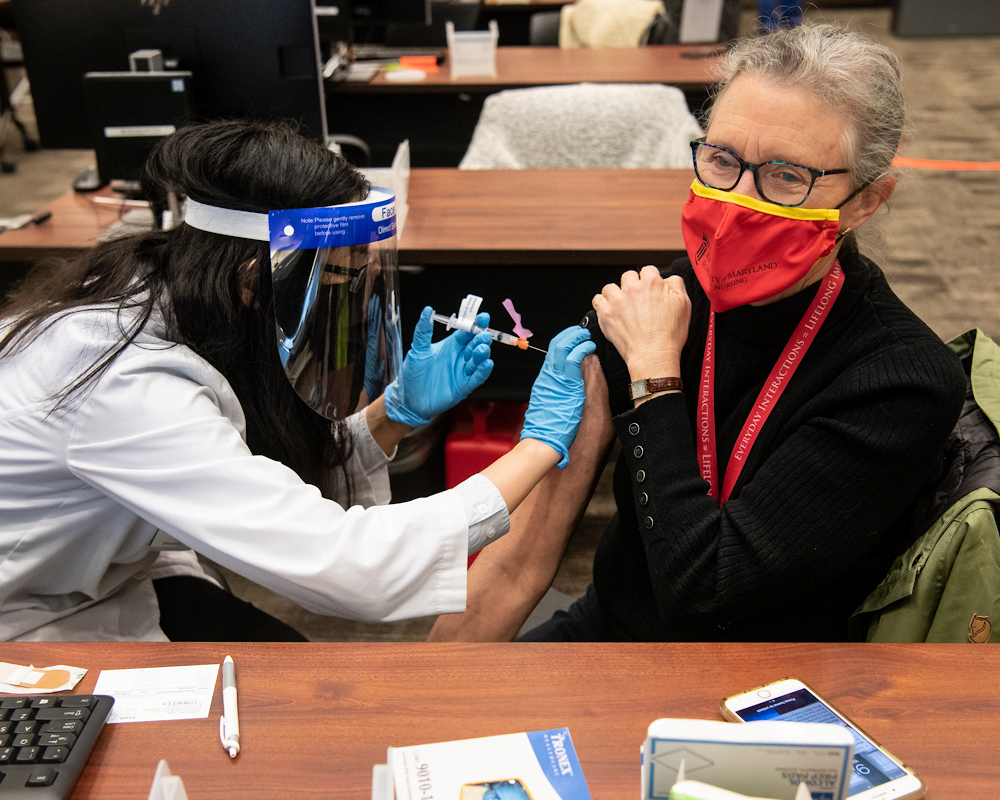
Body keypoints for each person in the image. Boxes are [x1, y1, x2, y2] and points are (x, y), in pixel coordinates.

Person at [429, 23, 968, 643]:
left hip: (769, 690)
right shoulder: (651, 304)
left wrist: (654, 375)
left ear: (867, 201)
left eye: (787, 177)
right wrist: (426, 701)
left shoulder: (900, 380)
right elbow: (520, 559)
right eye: (721, 160)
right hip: (612, 635)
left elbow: (707, 592)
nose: (738, 200)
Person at [0, 119, 595, 642]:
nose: (353, 303)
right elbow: (346, 566)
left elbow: (269, 484)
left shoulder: (174, 291)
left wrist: (392, 415)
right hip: (29, 616)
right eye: (340, 279)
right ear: (256, 280)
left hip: (100, 572)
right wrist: (538, 444)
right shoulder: (123, 384)